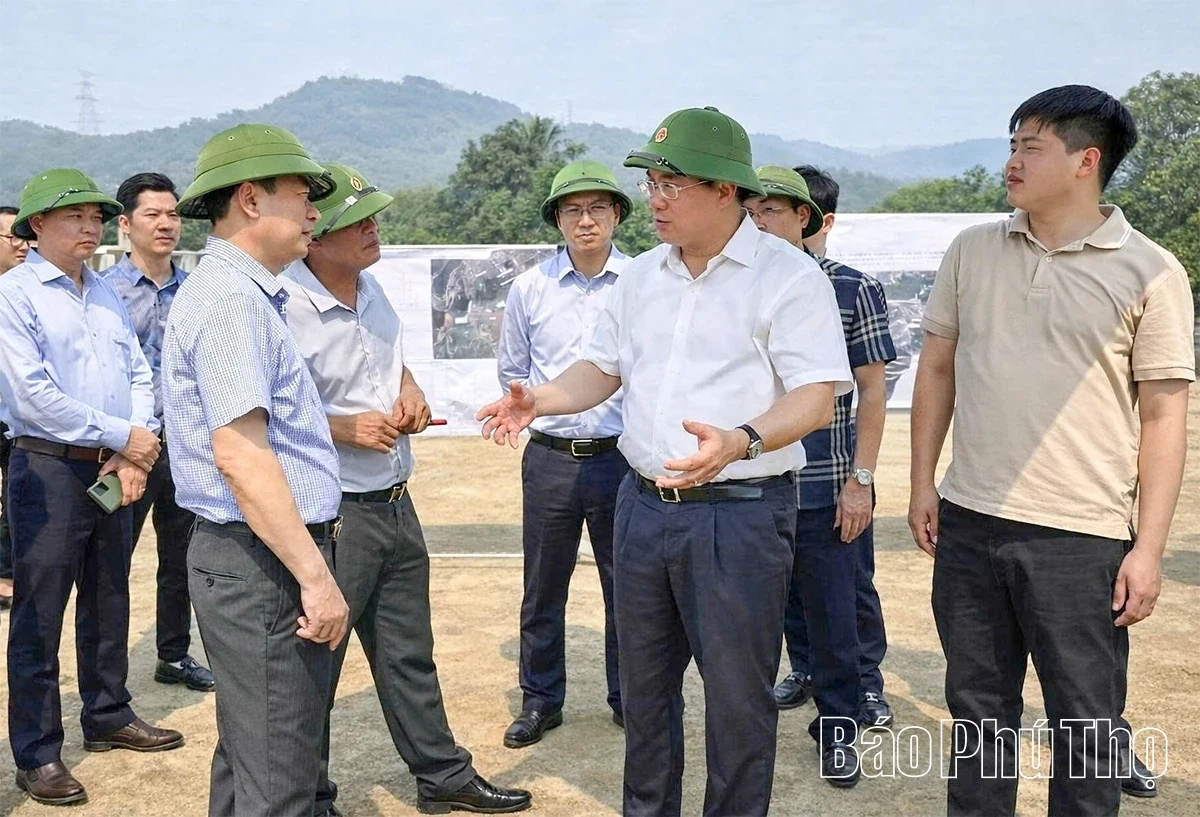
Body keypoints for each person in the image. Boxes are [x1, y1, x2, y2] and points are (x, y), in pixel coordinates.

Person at [478, 106, 852, 817]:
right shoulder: (642, 277)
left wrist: (740, 440)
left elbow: (814, 398)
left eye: (670, 184)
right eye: (651, 182)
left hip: (739, 517)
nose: (653, 198)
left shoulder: (787, 278)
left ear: (723, 191)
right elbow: (602, 370)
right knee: (645, 695)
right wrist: (542, 400)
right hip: (643, 507)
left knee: (738, 702)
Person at [908, 85, 1193, 816]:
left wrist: (1149, 550)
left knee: (1086, 727)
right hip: (970, 522)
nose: (1012, 160)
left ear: (1084, 161)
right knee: (977, 716)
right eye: (1011, 143)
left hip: (1082, 537)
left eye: (1030, 146)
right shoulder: (973, 249)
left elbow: (1164, 415)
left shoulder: (1152, 271)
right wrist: (922, 483)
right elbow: (936, 367)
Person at [282, 163, 532, 816]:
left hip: (394, 501)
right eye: (356, 221)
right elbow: (263, 417)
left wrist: (411, 393)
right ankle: (310, 796)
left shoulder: (371, 292)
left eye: (372, 215)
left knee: (408, 655)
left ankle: (441, 774)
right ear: (315, 236)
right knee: (315, 670)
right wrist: (341, 426)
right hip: (332, 516)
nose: (373, 228)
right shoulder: (285, 307)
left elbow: (393, 364)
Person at [163, 124, 351, 816]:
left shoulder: (238, 294)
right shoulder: (233, 301)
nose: (313, 213)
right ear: (249, 199)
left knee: (254, 757)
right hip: (260, 561)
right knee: (280, 778)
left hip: (252, 554)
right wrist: (315, 576)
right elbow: (242, 455)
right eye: (302, 194)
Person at [0, 169, 184, 806]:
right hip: (47, 468)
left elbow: (138, 370)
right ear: (37, 227)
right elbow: (33, 396)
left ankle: (108, 713)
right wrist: (124, 437)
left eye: (95, 217)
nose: (90, 226)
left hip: (112, 466)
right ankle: (38, 751)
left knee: (109, 593)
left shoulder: (102, 291)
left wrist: (133, 444)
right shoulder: (15, 296)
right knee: (40, 610)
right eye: (75, 216)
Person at [746, 165, 897, 787]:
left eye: (772, 212)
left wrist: (860, 479)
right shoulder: (738, 288)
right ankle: (805, 675)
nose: (758, 223)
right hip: (757, 484)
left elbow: (872, 391)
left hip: (828, 484)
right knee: (783, 606)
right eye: (751, 211)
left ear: (807, 218)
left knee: (840, 611)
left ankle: (841, 725)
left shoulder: (850, 289)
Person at [496, 160, 632, 748]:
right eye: (573, 209)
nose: (586, 220)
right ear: (557, 219)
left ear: (618, 216)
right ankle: (540, 699)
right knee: (543, 585)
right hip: (550, 457)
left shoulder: (643, 282)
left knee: (628, 586)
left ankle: (630, 698)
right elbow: (513, 371)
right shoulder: (530, 288)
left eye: (598, 207)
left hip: (621, 459)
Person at [103, 172, 213, 692]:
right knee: (111, 565)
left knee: (182, 559)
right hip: (126, 449)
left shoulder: (196, 291)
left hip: (185, 446)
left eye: (172, 214)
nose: (166, 224)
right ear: (126, 225)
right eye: (153, 214)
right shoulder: (104, 294)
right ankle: (107, 677)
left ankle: (173, 654)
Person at [0, 204, 28, 610]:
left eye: (26, 236)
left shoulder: (30, 292)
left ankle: (7, 572)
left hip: (16, 414)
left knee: (15, 493)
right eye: (13, 237)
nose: (23, 245)